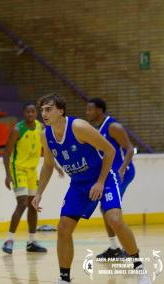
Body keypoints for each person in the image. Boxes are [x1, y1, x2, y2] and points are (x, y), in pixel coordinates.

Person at [32, 93, 150, 284]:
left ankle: (139, 269)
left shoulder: (78, 127)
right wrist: (39, 193)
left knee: (115, 220)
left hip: (103, 178)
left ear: (60, 111)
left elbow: (110, 151)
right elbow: (47, 165)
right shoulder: (45, 136)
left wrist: (100, 182)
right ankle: (64, 279)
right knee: (63, 228)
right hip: (79, 184)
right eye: (42, 110)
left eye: (49, 109)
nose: (44, 114)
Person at [2, 103, 56, 254]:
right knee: (22, 203)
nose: (31, 114)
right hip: (18, 169)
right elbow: (6, 152)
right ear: (24, 113)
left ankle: (31, 242)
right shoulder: (17, 129)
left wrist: (56, 166)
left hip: (32, 171)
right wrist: (7, 174)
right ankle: (9, 239)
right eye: (28, 111)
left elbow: (47, 149)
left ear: (36, 113)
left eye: (33, 111)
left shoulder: (41, 128)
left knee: (33, 204)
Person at [86, 98, 135, 258]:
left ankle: (129, 250)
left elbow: (129, 149)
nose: (88, 113)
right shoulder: (95, 129)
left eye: (90, 110)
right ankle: (114, 248)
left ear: (100, 110)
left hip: (123, 172)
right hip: (110, 174)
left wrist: (121, 170)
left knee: (112, 210)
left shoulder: (114, 127)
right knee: (105, 208)